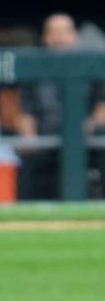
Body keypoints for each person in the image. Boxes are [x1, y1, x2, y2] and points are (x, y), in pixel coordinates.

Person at [15, 12, 105, 198]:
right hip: (46, 136)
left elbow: (102, 106)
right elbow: (26, 112)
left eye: (65, 32)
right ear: (45, 38)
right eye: (54, 32)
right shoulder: (34, 69)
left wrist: (88, 126)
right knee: (26, 154)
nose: (59, 37)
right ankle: (27, 210)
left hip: (86, 136)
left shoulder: (91, 64)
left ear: (74, 36)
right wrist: (29, 136)